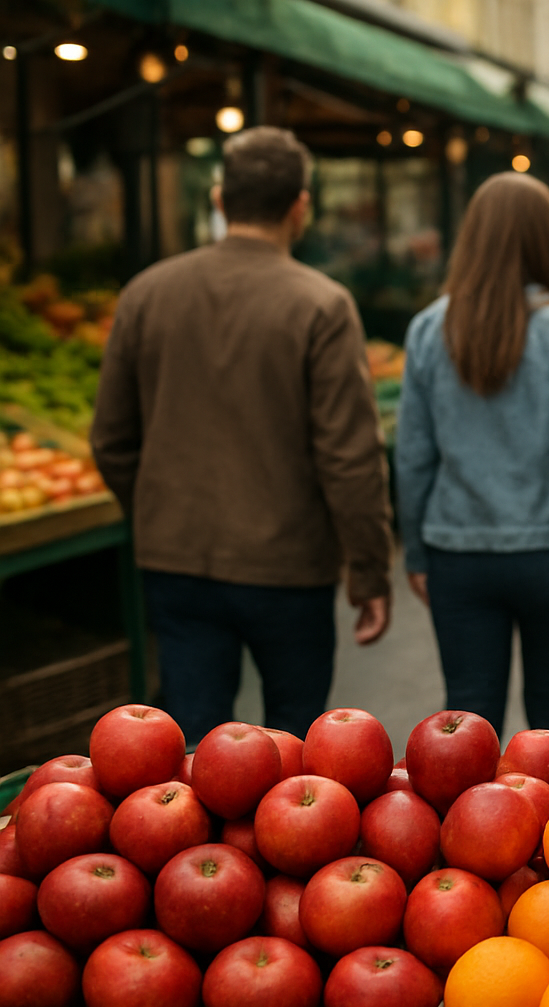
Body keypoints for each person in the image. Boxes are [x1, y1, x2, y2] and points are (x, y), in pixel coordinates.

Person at [91, 127, 392, 745]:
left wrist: (155, 512)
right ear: (299, 206)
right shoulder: (322, 305)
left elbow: (111, 439)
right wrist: (367, 570)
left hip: (177, 559)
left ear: (221, 198)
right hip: (289, 568)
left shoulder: (146, 293)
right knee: (294, 757)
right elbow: (350, 459)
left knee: (188, 758)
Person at [394, 173, 549, 741]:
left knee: (466, 725)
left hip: (458, 555)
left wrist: (415, 551)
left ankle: (469, 830)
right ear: (544, 241)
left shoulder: (431, 329)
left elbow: (412, 457)